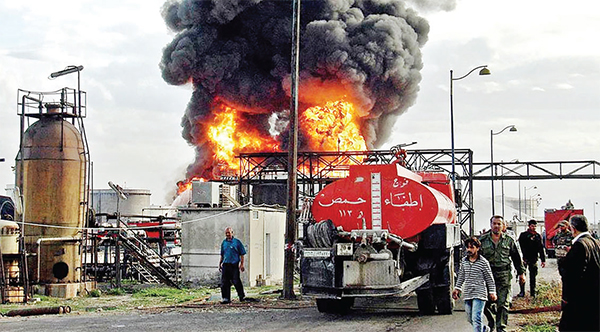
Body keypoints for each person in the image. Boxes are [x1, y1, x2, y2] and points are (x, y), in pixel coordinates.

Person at [480, 215, 526, 332]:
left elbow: (516, 258)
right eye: (494, 223)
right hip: (487, 276)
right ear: (490, 225)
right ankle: (491, 321)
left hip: (503, 275)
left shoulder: (509, 240)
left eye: (499, 224)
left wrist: (521, 274)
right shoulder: (482, 240)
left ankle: (501, 327)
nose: (496, 226)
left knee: (503, 303)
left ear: (503, 226)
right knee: (484, 303)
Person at [558, 215, 600, 332]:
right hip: (594, 297)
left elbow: (570, 274)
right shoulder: (595, 242)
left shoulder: (580, 245)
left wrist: (566, 298)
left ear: (573, 228)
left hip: (580, 299)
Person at [453, 237, 497, 332]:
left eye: (472, 247)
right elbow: (461, 275)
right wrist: (457, 288)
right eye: (467, 247)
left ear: (477, 248)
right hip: (468, 293)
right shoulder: (464, 261)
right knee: (470, 318)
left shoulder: (483, 262)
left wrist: (492, 292)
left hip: (480, 293)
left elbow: (489, 278)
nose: (469, 250)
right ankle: (485, 329)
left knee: (476, 317)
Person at [517, 219, 546, 297]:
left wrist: (543, 260)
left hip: (533, 259)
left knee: (533, 276)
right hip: (524, 258)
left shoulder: (537, 236)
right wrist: (522, 257)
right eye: (532, 226)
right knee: (522, 275)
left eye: (535, 226)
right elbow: (520, 247)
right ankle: (522, 291)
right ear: (529, 226)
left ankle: (533, 292)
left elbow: (540, 248)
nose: (534, 227)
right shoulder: (523, 235)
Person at [219, 226, 246, 304]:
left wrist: (242, 264)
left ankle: (241, 296)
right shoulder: (224, 243)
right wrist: (220, 263)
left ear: (232, 233)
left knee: (236, 281)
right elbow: (222, 254)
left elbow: (242, 254)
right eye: (226, 233)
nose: (227, 234)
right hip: (226, 264)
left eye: (229, 233)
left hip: (234, 264)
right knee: (224, 282)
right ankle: (226, 298)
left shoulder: (237, 242)